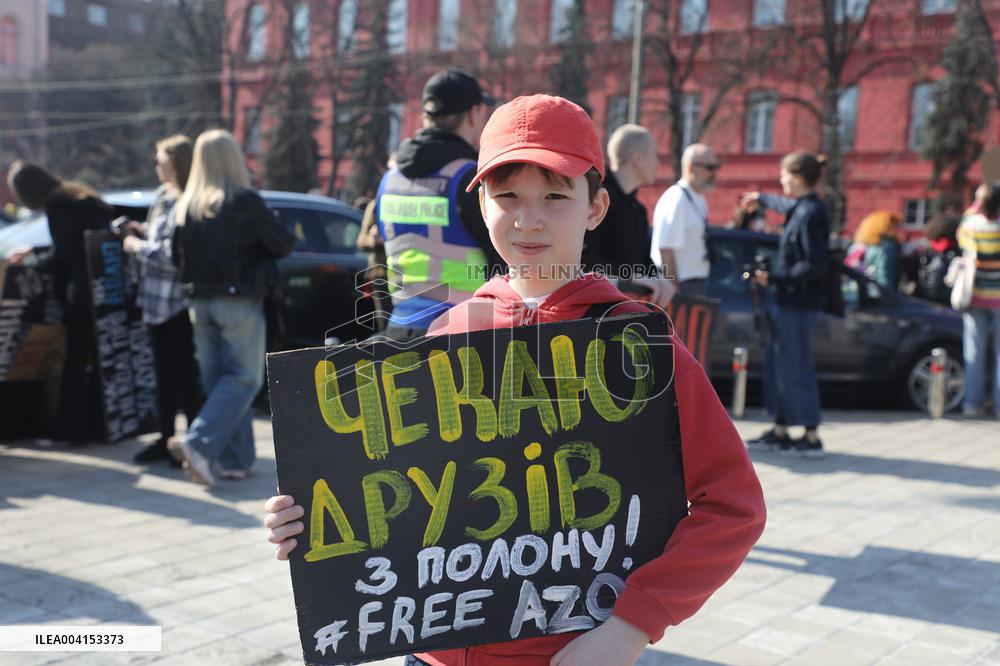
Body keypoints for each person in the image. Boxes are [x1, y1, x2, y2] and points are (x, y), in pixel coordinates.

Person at [264, 94, 766, 666]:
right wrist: (312, 524)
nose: (529, 219)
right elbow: (401, 491)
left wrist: (631, 625)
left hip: (564, 655)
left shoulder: (638, 342)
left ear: (596, 207)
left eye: (555, 196)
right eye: (507, 196)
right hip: (427, 652)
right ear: (480, 203)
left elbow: (733, 506)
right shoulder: (451, 329)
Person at [166, 129, 294, 487]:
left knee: (220, 380)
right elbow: (282, 244)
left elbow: (175, 258)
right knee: (243, 379)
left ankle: (235, 461)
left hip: (198, 301)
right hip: (238, 300)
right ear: (233, 159)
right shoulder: (244, 201)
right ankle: (199, 444)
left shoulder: (186, 207)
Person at [374, 69, 504, 341]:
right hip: (461, 333)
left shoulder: (390, 179)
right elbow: (503, 260)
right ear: (473, 113)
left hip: (398, 328)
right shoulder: (469, 178)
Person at [7, 161, 116, 445]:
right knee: (100, 362)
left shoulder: (58, 203)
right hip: (105, 286)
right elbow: (75, 243)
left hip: (80, 292)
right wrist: (35, 249)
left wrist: (32, 264)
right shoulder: (78, 196)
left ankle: (71, 431)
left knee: (75, 363)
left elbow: (63, 254)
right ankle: (100, 427)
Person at [121, 135, 205, 464]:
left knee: (182, 376)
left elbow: (170, 256)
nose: (156, 165)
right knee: (164, 376)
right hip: (155, 301)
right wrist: (141, 229)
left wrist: (134, 246)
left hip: (176, 302)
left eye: (160, 160)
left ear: (175, 163)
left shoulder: (184, 200)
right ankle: (168, 438)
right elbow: (161, 239)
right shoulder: (162, 196)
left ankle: (186, 445)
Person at [740, 151, 830, 456]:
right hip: (790, 301)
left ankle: (811, 435)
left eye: (783, 175)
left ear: (797, 178)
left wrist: (774, 278)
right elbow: (786, 205)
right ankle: (781, 429)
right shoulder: (803, 208)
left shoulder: (811, 214)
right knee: (779, 366)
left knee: (796, 367)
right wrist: (761, 198)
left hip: (798, 303)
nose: (781, 181)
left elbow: (815, 265)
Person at [581, 123, 673, 308]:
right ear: (638, 159)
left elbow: (641, 263)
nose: (658, 162)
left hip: (624, 310)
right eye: (654, 155)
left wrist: (661, 280)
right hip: (593, 310)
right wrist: (630, 276)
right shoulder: (596, 199)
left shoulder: (638, 210)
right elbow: (584, 257)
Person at [649, 143, 719, 296]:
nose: (714, 173)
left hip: (694, 283)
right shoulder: (677, 198)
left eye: (716, 167)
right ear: (691, 168)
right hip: (681, 285)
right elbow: (666, 248)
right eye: (710, 168)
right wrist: (674, 289)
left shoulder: (697, 197)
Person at [956, 182, 1000, 418]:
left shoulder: (972, 225)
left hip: (976, 295)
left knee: (974, 350)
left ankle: (972, 403)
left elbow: (961, 239)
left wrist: (977, 202)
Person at [850, 210, 903, 291]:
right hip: (877, 296)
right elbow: (885, 279)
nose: (898, 228)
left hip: (855, 294)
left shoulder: (855, 246)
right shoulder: (886, 248)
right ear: (884, 226)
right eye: (894, 224)